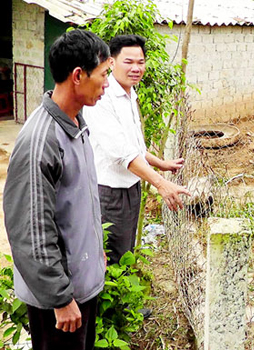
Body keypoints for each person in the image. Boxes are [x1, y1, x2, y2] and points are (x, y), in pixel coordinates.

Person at [3, 29, 111, 350]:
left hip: (79, 284)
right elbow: (30, 231)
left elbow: (78, 202)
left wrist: (95, 248)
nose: (107, 83)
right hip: (60, 301)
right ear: (78, 76)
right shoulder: (42, 141)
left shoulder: (77, 123)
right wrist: (60, 299)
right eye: (104, 74)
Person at [83, 34, 190, 266]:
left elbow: (135, 146)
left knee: (126, 251)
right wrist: (161, 183)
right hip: (109, 193)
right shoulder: (103, 97)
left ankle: (123, 299)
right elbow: (123, 153)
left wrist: (162, 164)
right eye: (128, 62)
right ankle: (108, 301)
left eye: (140, 62)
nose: (136, 68)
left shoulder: (130, 94)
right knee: (111, 260)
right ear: (111, 62)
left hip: (131, 187)